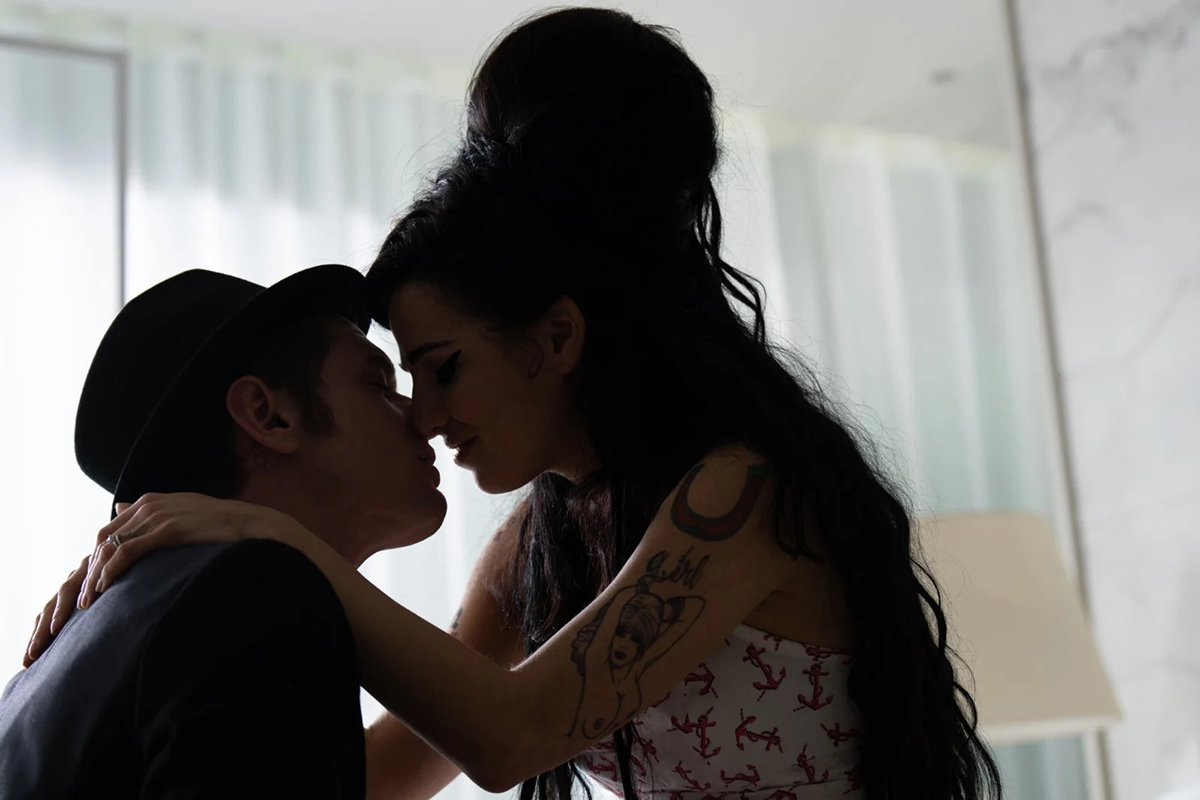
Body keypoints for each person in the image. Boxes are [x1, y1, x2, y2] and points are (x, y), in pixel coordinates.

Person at [29, 8, 1003, 799]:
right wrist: (122, 676)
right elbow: (395, 769)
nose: (423, 413)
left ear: (556, 338)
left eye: (442, 368)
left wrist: (270, 541)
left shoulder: (738, 495)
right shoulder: (538, 543)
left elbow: (515, 735)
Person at [2, 265, 445, 797]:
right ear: (267, 415)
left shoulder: (38, 677)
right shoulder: (260, 596)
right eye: (379, 385)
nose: (423, 417)